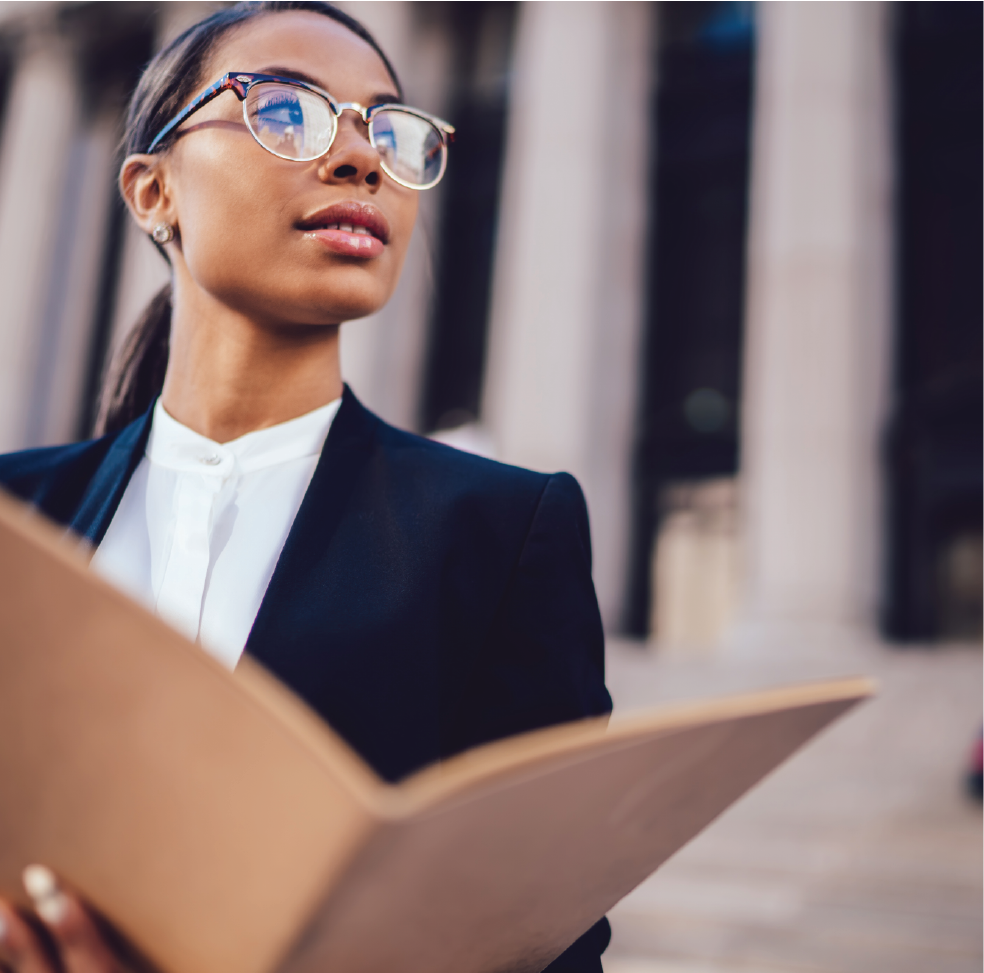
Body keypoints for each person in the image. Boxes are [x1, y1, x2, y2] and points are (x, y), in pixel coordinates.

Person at [0, 3, 612, 971]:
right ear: (153, 190)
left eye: (390, 129)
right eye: (290, 111)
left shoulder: (501, 537)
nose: (364, 158)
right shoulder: (13, 524)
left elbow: (546, 949)